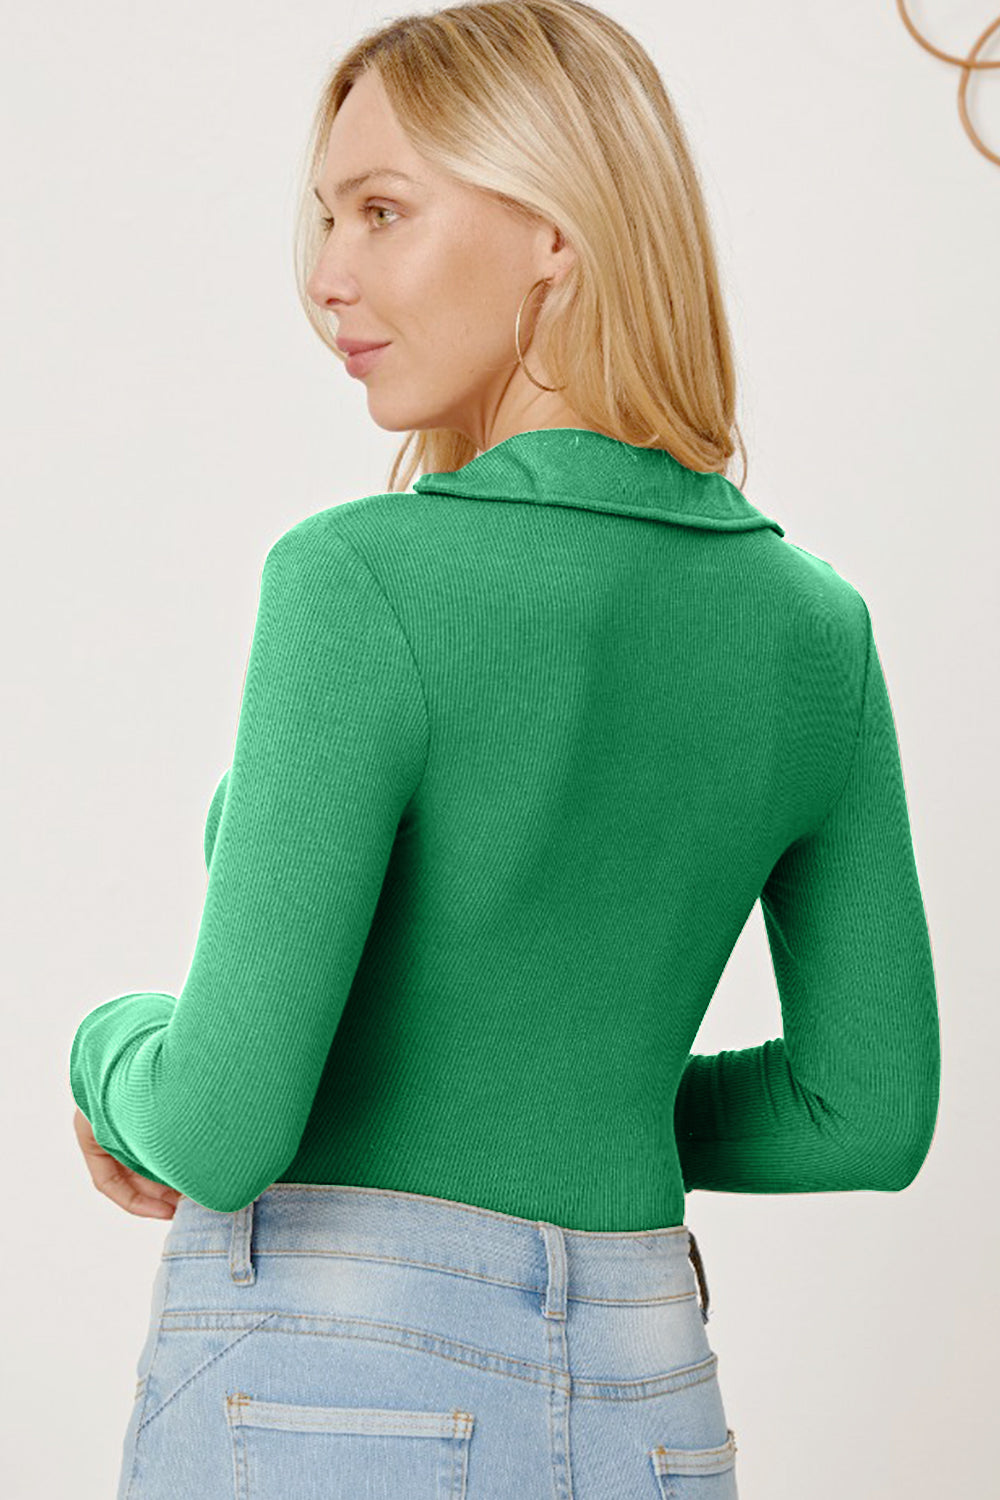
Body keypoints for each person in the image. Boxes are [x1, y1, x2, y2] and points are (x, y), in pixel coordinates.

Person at [68, 4, 940, 1497]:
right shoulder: (815, 633)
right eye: (327, 218)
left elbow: (216, 1126)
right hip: (651, 1393)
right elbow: (863, 1113)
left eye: (383, 211)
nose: (327, 276)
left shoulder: (359, 578)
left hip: (331, 1391)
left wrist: (106, 1050)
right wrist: (584, 1098)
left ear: (555, 231)